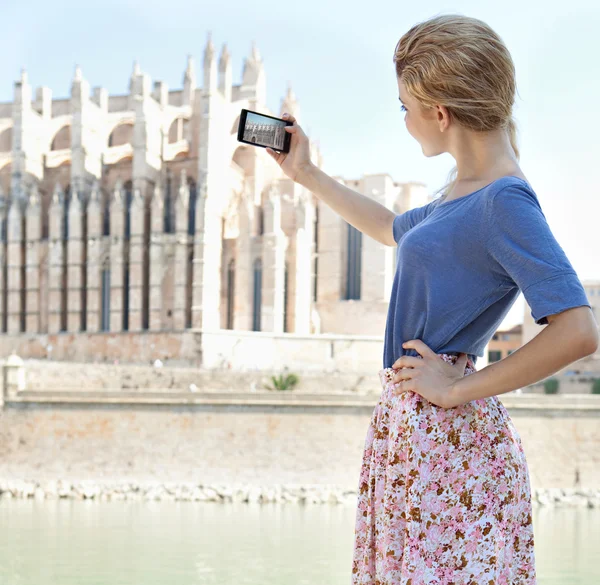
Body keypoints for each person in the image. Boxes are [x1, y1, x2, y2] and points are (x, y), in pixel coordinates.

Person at [267, 13, 598, 584]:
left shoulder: (503, 203)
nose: (404, 120)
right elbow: (393, 228)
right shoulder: (461, 195)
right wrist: (307, 174)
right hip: (413, 429)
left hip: (448, 439)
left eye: (404, 106)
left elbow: (579, 329)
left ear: (440, 113)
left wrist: (458, 387)